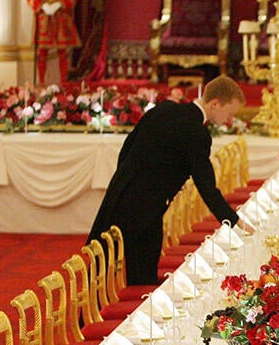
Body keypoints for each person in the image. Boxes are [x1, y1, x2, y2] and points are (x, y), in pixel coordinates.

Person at [87, 75, 255, 286]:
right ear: (215, 103)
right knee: (141, 276)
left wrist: (126, 181)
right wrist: (234, 222)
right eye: (230, 112)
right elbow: (206, 187)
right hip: (146, 209)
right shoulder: (197, 133)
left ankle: (91, 313)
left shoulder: (163, 109)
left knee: (103, 263)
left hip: (121, 192)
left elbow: (127, 148)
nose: (229, 118)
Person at [22, 0, 81, 84]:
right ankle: (41, 82)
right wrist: (41, 4)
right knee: (42, 51)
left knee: (63, 51)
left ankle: (64, 82)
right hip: (44, 14)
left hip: (61, 13)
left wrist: (60, 3)